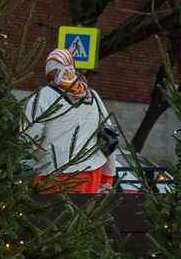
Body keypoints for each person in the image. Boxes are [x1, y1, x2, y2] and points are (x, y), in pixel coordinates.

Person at [26, 47, 118, 193]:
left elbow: (30, 142)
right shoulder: (92, 96)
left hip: (53, 172)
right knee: (84, 214)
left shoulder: (41, 98)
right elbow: (109, 137)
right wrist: (108, 176)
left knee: (55, 214)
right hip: (91, 171)